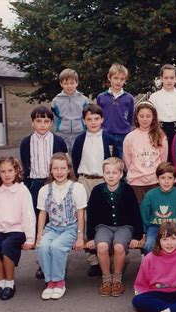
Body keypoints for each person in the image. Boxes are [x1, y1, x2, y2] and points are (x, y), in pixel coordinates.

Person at [19, 106, 68, 279]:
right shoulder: (26, 142)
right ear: (32, 123)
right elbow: (25, 165)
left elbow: (63, 164)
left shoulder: (58, 141)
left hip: (53, 183)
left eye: (46, 121)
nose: (42, 124)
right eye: (38, 121)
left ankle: (59, 259)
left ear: (51, 123)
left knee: (55, 221)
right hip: (34, 184)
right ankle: (42, 262)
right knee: (38, 222)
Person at [72, 103, 118, 277]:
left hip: (105, 180)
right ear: (84, 121)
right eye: (89, 119)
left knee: (106, 216)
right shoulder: (79, 140)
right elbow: (75, 160)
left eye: (96, 119)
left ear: (102, 120)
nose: (93, 122)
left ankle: (108, 256)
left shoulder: (109, 139)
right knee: (85, 217)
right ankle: (93, 259)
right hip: (85, 179)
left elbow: (115, 160)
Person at [85, 158, 143, 297]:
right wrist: (91, 237)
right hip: (103, 227)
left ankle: (117, 279)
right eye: (107, 172)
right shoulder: (97, 191)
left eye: (114, 172)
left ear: (121, 174)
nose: (111, 176)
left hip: (124, 227)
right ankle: (106, 279)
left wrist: (137, 236)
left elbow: (135, 213)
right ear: (103, 174)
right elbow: (91, 215)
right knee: (102, 246)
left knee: (118, 246)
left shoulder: (128, 190)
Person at [0, 157, 36, 300]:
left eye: (10, 171)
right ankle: (0, 283)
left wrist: (30, 237)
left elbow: (28, 215)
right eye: (3, 171)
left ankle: (10, 284)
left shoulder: (22, 190)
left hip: (17, 229)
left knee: (6, 248)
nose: (7, 175)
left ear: (17, 171)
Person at [36, 153, 87, 300]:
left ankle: (59, 282)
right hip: (52, 227)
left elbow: (80, 213)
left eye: (63, 168)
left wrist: (79, 236)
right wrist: (39, 235)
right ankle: (50, 282)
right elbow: (42, 214)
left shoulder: (76, 188)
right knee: (43, 246)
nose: (59, 172)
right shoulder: (45, 190)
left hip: (70, 227)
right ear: (51, 170)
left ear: (69, 170)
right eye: (55, 168)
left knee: (57, 247)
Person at [140, 162, 176, 254]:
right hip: (155, 227)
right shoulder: (150, 195)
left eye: (170, 178)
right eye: (163, 178)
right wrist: (144, 233)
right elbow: (144, 216)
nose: (166, 181)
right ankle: (151, 267)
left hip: (175, 227)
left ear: (175, 179)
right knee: (149, 245)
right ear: (158, 179)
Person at [123, 101, 168, 202]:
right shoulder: (130, 137)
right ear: (136, 117)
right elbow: (128, 161)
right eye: (141, 116)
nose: (144, 119)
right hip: (136, 183)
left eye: (148, 116)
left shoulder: (161, 136)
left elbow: (163, 160)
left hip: (154, 181)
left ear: (153, 118)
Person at [149, 64, 176, 162]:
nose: (169, 80)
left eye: (172, 78)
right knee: (161, 159)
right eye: (166, 78)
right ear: (161, 78)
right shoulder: (154, 97)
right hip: (160, 131)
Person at [96, 63, 135, 158]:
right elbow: (98, 116)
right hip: (106, 133)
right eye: (116, 78)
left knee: (122, 161)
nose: (118, 81)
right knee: (105, 159)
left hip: (123, 135)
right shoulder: (101, 97)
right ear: (109, 78)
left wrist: (127, 129)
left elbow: (130, 117)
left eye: (122, 79)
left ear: (125, 80)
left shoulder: (129, 98)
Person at [51, 68, 89, 152]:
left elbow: (87, 116)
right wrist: (58, 129)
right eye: (66, 83)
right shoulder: (56, 100)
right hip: (62, 135)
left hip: (79, 133)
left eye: (72, 83)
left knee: (78, 159)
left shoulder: (84, 100)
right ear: (61, 84)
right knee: (63, 159)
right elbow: (55, 116)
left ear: (77, 83)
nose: (69, 86)